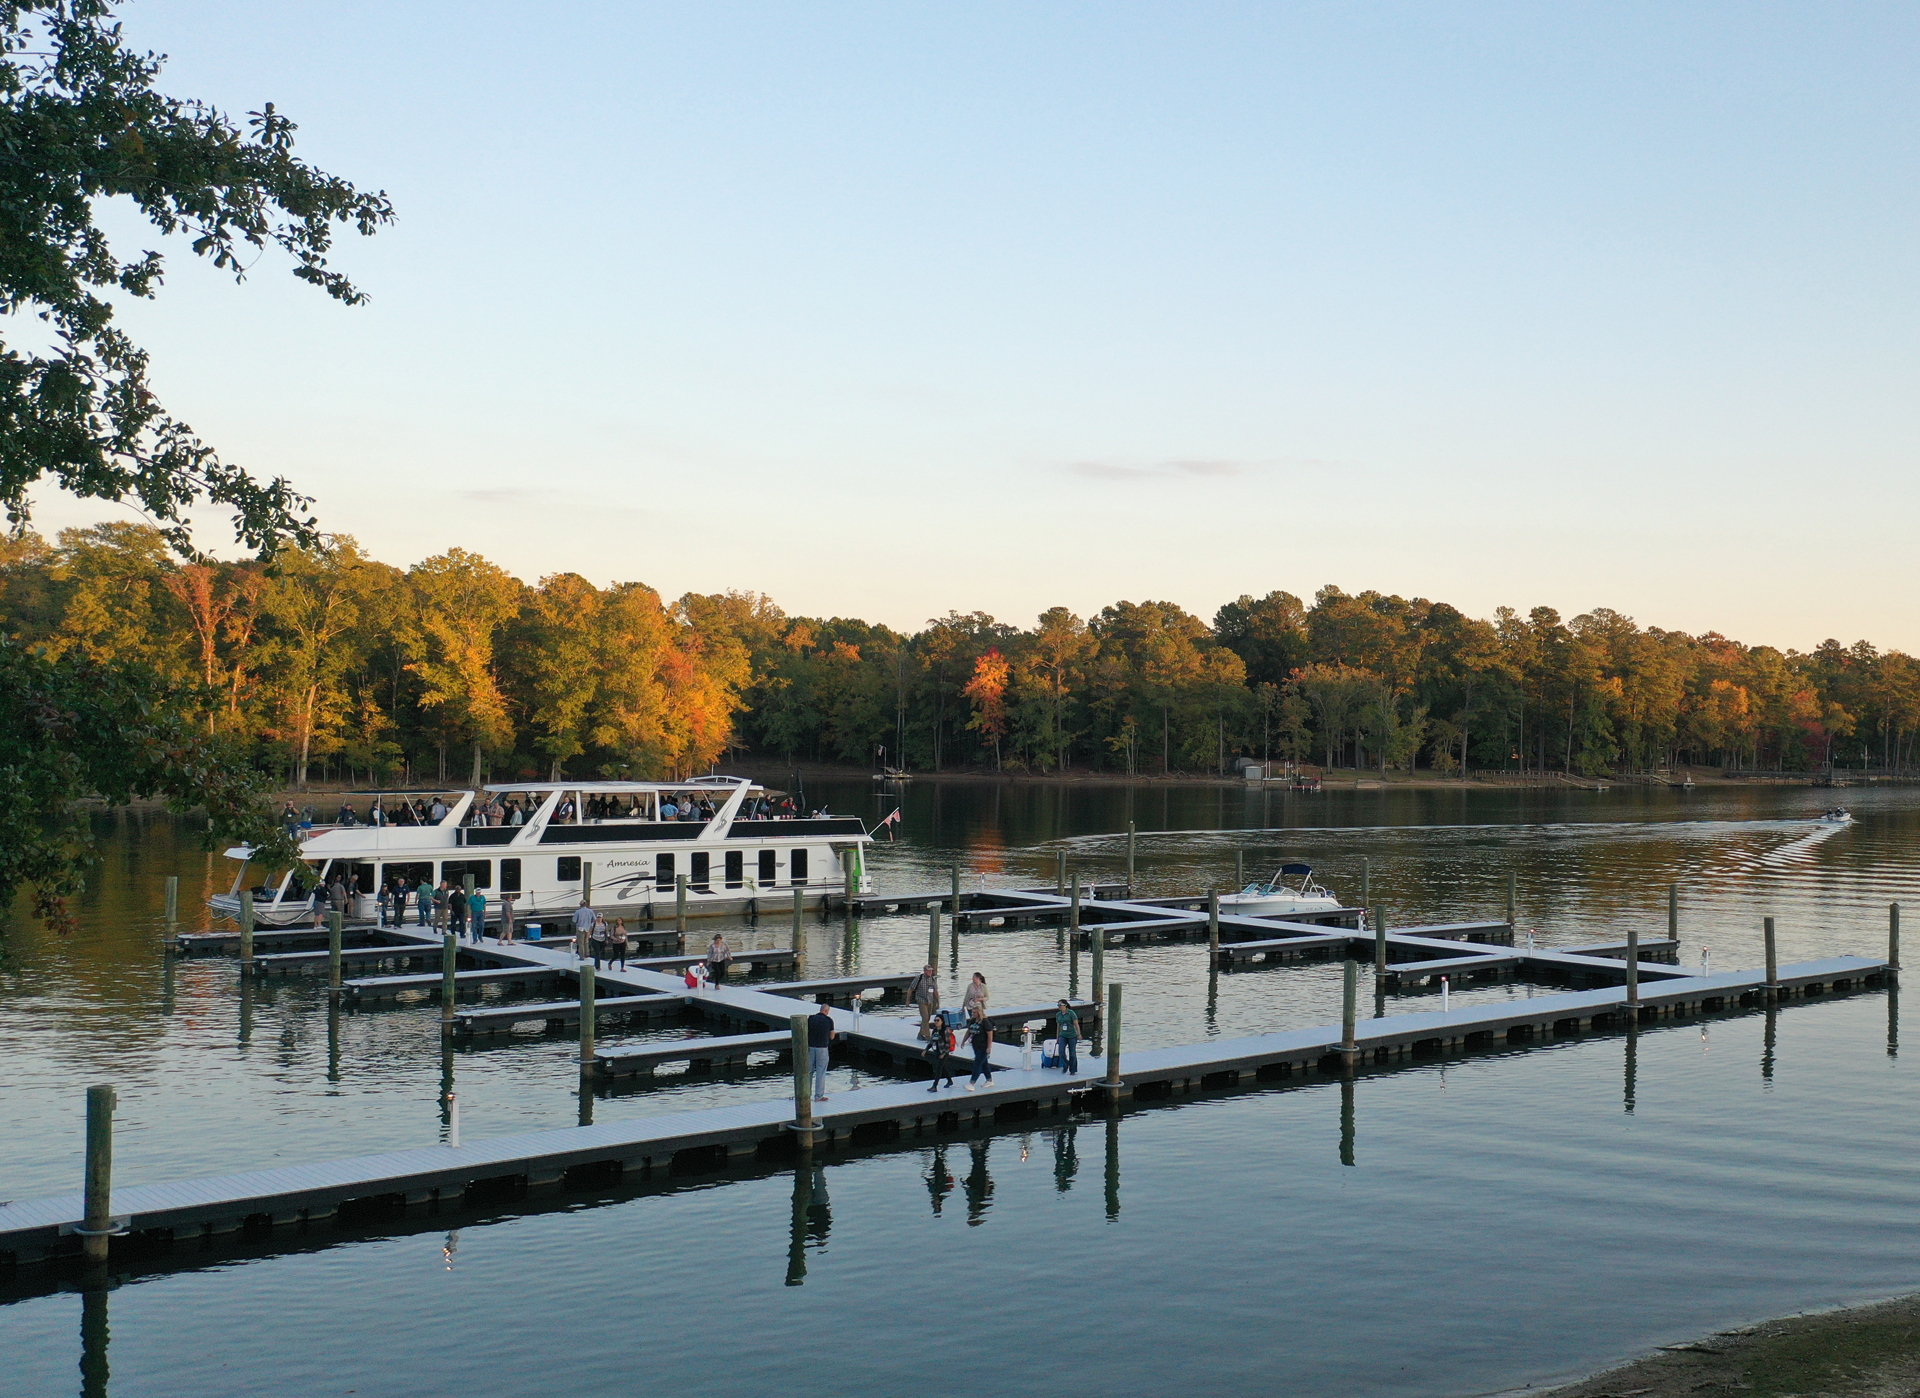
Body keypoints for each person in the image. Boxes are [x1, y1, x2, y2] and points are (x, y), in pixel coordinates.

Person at [806, 998, 834, 1102]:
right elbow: (832, 1036)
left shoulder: (811, 1018)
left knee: (809, 1072)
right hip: (822, 1049)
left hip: (810, 1048)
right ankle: (818, 1096)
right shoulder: (829, 1020)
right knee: (820, 1072)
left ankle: (806, 1095)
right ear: (827, 1011)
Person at [906, 964, 940, 1040]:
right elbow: (911, 989)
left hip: (930, 1001)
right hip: (921, 1000)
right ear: (925, 971)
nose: (930, 972)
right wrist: (908, 1000)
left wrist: (938, 1003)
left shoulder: (933, 979)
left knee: (927, 1019)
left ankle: (920, 1034)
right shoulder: (919, 978)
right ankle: (928, 1036)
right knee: (925, 1017)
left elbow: (935, 992)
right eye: (928, 971)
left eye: (931, 971)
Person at [965, 1009, 995, 1092]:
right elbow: (969, 1031)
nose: (973, 1014)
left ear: (979, 1012)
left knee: (977, 1063)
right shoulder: (973, 1021)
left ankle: (972, 1083)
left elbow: (990, 1035)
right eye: (972, 1012)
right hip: (975, 1045)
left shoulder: (985, 1022)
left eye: (975, 1012)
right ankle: (989, 1080)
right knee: (984, 1063)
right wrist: (964, 1040)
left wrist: (989, 1047)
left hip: (983, 1046)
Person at [923, 1014, 955, 1092]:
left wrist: (943, 1053)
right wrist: (926, 1050)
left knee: (938, 1068)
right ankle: (950, 1080)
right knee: (942, 1067)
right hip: (936, 1051)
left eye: (938, 1020)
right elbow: (931, 1042)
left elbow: (948, 1044)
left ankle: (935, 1086)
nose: (936, 1022)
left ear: (942, 1021)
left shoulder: (945, 1031)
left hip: (943, 1052)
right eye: (935, 1020)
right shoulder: (935, 1031)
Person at [1055, 999, 1080, 1074]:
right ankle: (1065, 1065)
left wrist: (1079, 1034)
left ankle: (1073, 1069)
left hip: (1072, 1035)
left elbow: (1076, 1024)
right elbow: (1058, 1026)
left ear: (1065, 1005)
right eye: (1058, 1005)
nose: (1059, 1007)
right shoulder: (1058, 1015)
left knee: (1072, 1053)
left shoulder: (1071, 1013)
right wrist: (1057, 1037)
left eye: (1060, 1005)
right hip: (1063, 1035)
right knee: (1061, 1051)